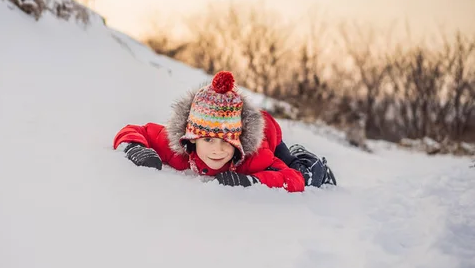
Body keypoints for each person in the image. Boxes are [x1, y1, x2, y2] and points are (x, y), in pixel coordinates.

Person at [113, 71, 336, 192]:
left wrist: (252, 181)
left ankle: (311, 161)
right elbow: (136, 130)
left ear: (237, 142)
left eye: (227, 141)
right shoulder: (178, 149)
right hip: (236, 119)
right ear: (191, 139)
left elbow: (292, 179)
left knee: (304, 174)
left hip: (268, 137)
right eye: (208, 139)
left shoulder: (252, 158)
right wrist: (135, 147)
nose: (218, 150)